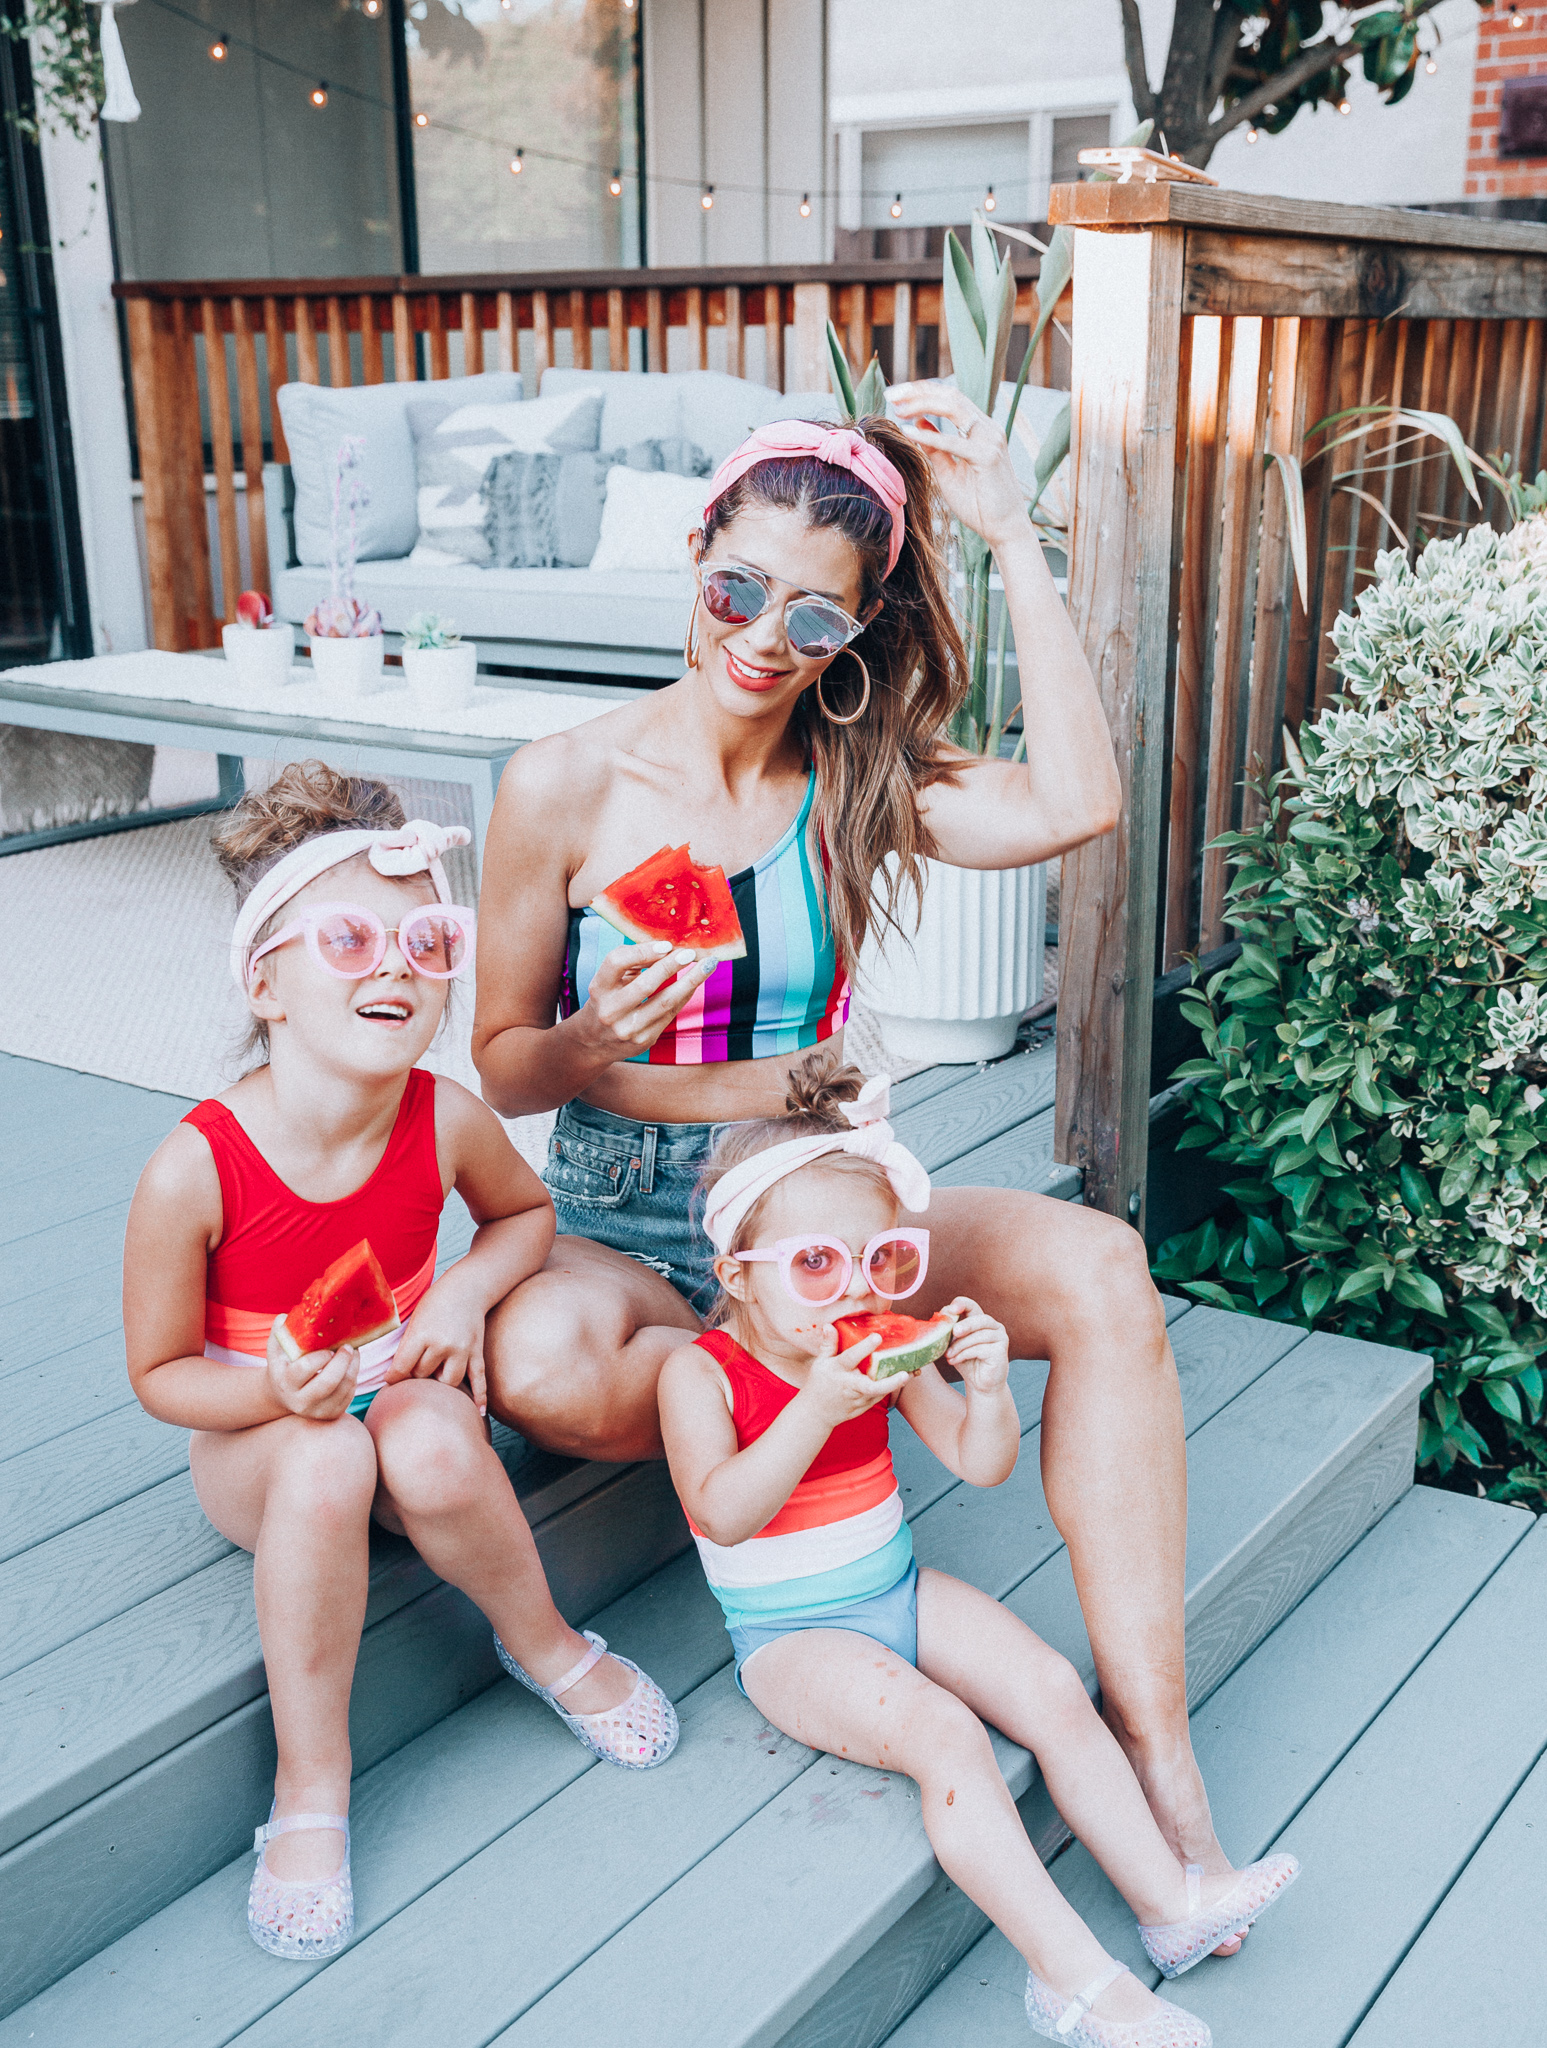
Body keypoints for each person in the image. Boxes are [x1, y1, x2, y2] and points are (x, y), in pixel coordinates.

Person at [470, 385, 1229, 1884]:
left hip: (827, 1234)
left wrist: (1010, 526)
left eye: (813, 620)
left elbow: (1078, 801)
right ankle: (800, 1431)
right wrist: (596, 1044)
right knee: (540, 1360)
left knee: (1098, 1272)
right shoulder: (560, 783)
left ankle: (1154, 1743)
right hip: (637, 1223)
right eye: (733, 590)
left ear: (859, 628)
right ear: (694, 555)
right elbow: (503, 1069)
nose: (761, 640)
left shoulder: (853, 773)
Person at [123, 763, 677, 1965]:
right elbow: (163, 1373)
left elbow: (523, 1217)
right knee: (325, 1462)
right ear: (263, 979)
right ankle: (312, 1778)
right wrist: (273, 1389)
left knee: (426, 1434)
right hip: (257, 1436)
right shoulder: (195, 1166)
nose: (394, 964)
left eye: (427, 938)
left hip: (401, 1390)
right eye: (349, 937)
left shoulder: (444, 1116)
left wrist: (470, 1293)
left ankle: (542, 1641)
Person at [656, 1054, 1298, 2047]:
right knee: (946, 1732)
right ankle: (1070, 1978)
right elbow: (722, 1511)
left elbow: (978, 1460)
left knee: (1046, 1683)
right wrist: (815, 1407)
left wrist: (988, 1386)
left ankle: (1174, 1899)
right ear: (737, 1272)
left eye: (881, 1261)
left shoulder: (875, 1336)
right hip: (790, 1638)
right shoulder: (698, 1375)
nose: (854, 1290)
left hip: (896, 1588)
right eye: (816, 1264)